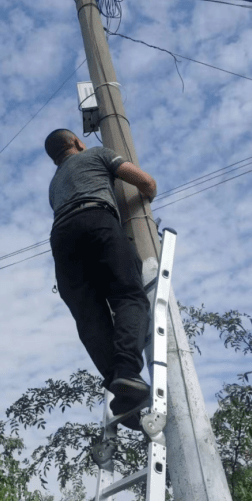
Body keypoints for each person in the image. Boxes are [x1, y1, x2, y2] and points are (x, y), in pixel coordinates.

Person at [45, 129, 157, 430]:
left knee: (90, 317)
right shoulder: (97, 154)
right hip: (96, 221)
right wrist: (149, 194)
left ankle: (123, 391)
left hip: (61, 239)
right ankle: (128, 374)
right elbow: (144, 181)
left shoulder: (54, 184)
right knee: (128, 295)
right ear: (77, 143)